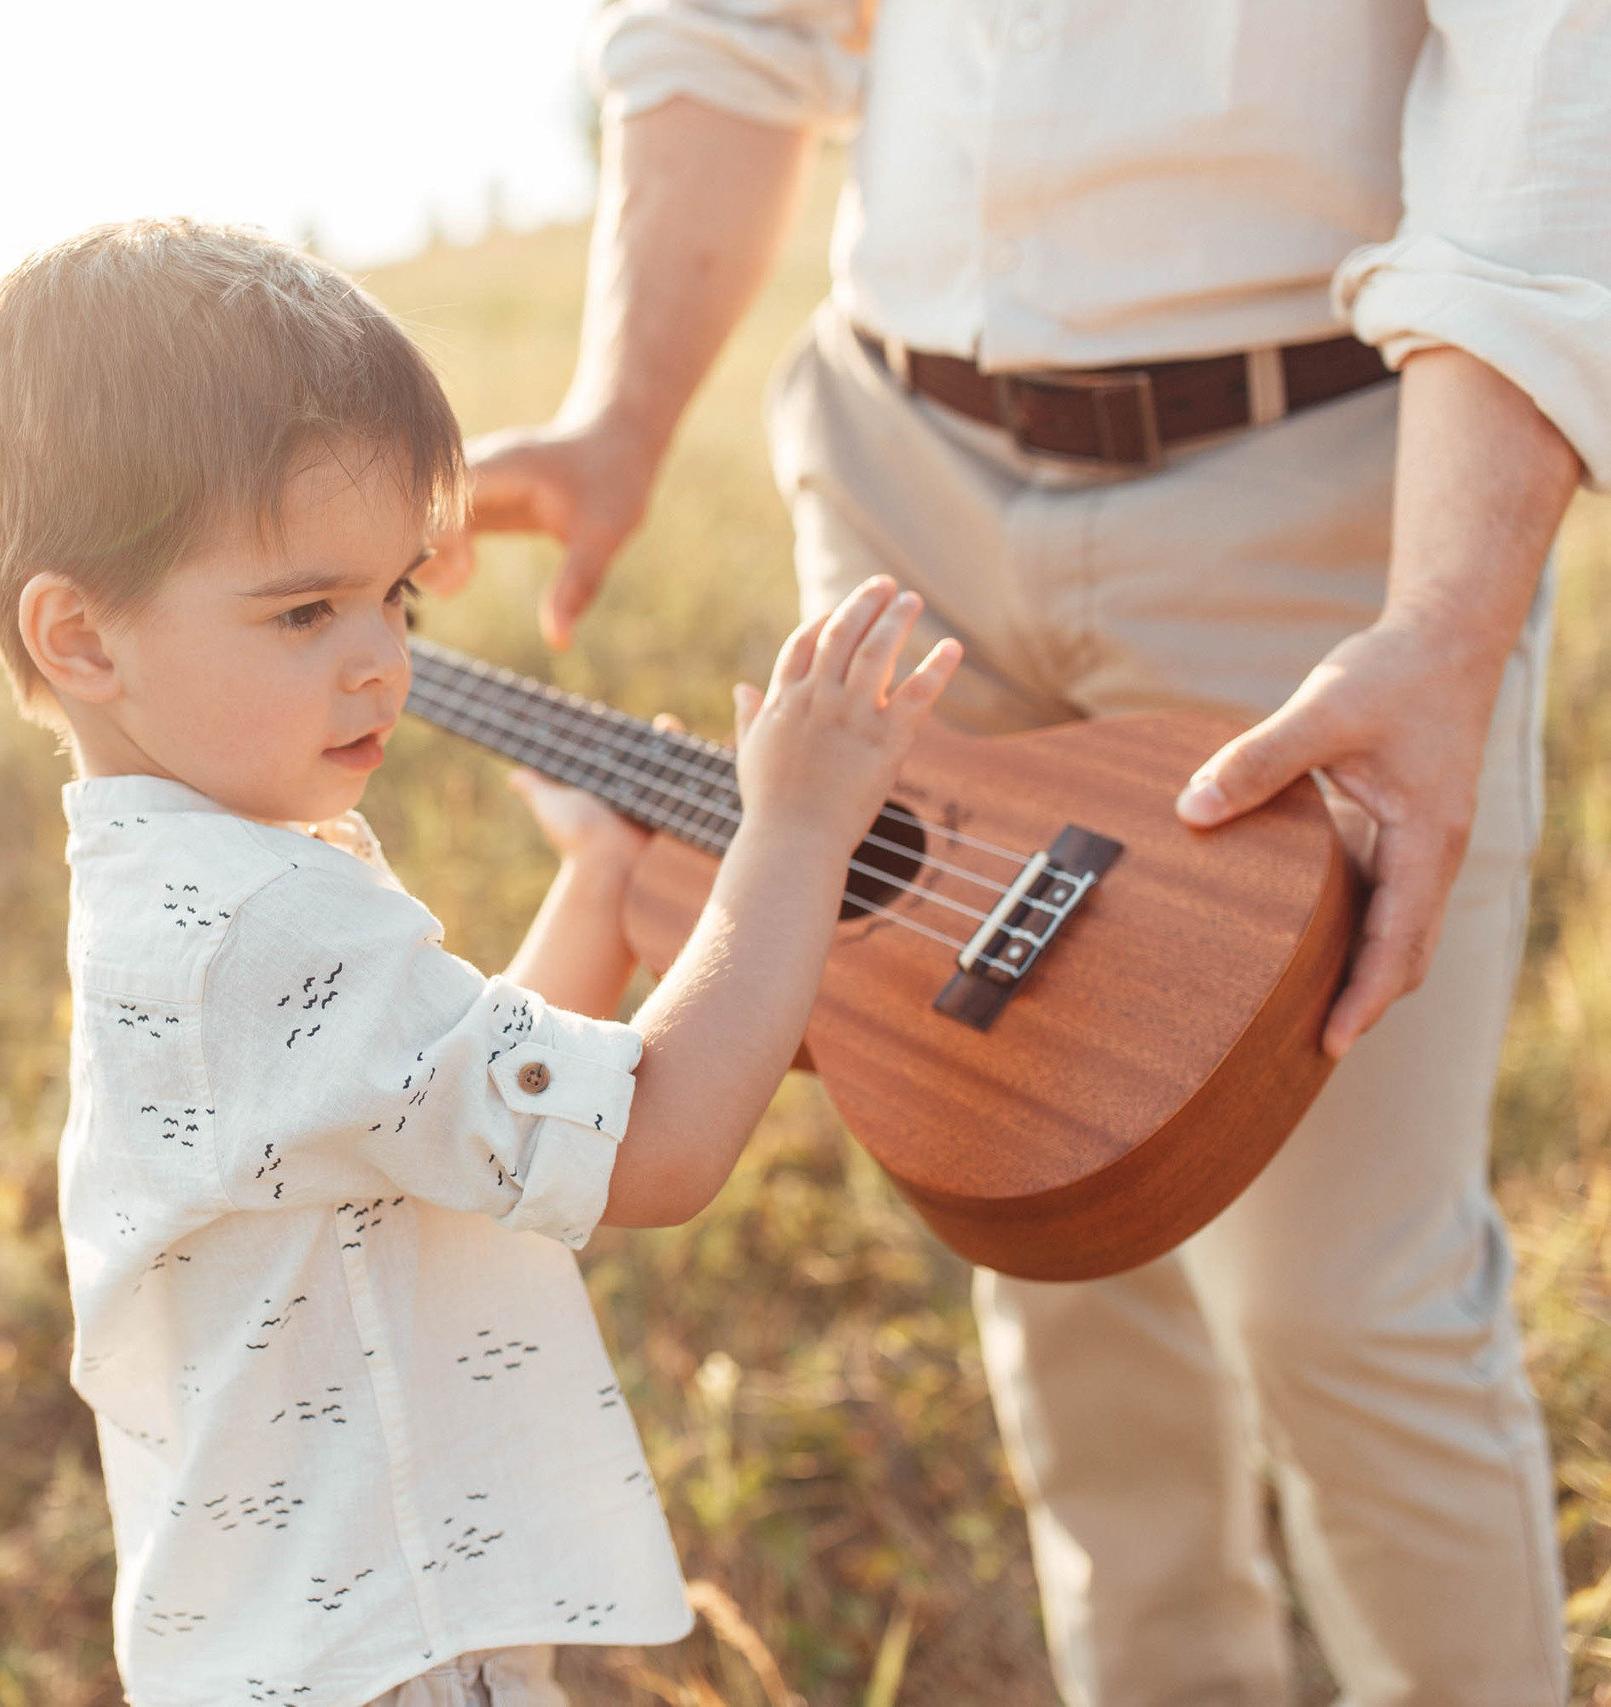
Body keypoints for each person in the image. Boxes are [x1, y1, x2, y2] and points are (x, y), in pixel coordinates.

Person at [431, 3, 1607, 1701]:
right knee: (1040, 1227)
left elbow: (1559, 84)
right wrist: (623, 408)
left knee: (1349, 1305)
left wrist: (1444, 620)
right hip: (901, 472)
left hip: (1327, 493)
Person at [0, 217, 959, 1705]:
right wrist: (792, 835)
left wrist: (601, 881)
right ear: (81, 639)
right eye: (303, 610)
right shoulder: (261, 922)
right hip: (392, 1666)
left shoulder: (187, 885)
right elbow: (655, 1148)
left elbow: (444, 1110)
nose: (382, 660)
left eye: (398, 593)